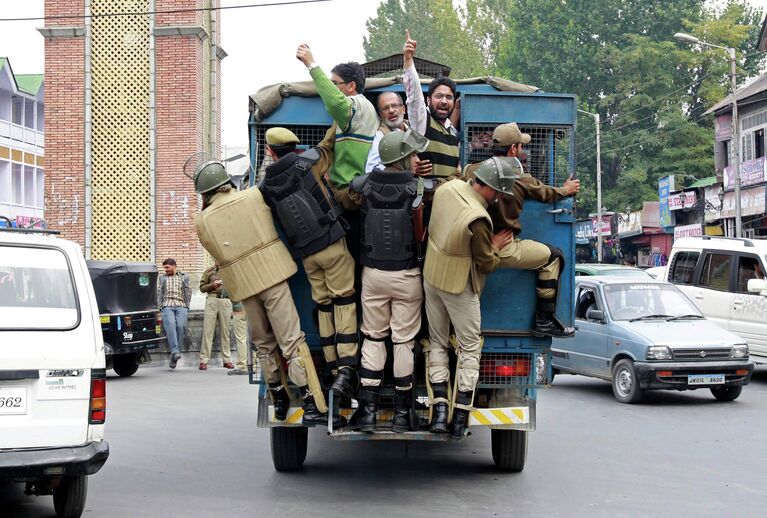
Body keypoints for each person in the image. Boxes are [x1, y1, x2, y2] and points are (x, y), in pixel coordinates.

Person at [192, 159, 339, 426]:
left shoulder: (202, 220)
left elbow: (214, 252)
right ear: (226, 182)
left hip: (244, 285)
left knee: (263, 344)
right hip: (273, 275)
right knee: (292, 340)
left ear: (205, 191)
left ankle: (280, 398)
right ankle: (310, 400)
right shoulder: (253, 195)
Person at [260, 127, 360, 399]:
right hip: (332, 245)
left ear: (270, 151)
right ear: (294, 147)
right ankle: (347, 368)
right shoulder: (309, 162)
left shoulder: (265, 187)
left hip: (306, 255)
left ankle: (330, 365)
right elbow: (329, 146)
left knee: (323, 304)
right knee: (344, 301)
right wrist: (337, 123)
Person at [464, 123, 580, 337]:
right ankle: (543, 320)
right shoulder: (520, 177)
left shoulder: (471, 170)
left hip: (470, 245)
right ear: (513, 149)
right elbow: (546, 193)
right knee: (554, 257)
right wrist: (566, 189)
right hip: (504, 246)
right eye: (520, 146)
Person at [422, 164, 513, 439]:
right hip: (459, 286)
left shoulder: (446, 189)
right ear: (490, 188)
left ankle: (439, 413)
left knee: (436, 343)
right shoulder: (479, 218)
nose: (497, 197)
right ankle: (460, 417)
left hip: (431, 277)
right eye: (497, 192)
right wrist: (495, 247)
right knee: (469, 348)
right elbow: (486, 263)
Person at [348, 128, 430, 432]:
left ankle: (367, 411)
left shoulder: (363, 185)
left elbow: (349, 197)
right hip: (408, 275)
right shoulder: (418, 188)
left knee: (373, 337)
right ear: (403, 157)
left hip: (372, 275)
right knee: (403, 341)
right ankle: (401, 413)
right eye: (411, 154)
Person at [295, 44, 378, 210]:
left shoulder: (357, 105)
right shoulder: (369, 109)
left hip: (348, 194)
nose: (332, 89)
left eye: (335, 84)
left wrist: (312, 65)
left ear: (351, 86)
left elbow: (335, 103)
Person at [402, 30, 460, 181]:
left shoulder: (453, 133)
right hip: (427, 201)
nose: (444, 101)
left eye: (449, 97)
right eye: (438, 96)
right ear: (428, 101)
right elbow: (414, 96)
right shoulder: (422, 122)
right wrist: (408, 59)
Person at [198, 263, 235, 371]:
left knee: (225, 331)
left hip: (226, 300)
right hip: (212, 299)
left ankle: (227, 360)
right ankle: (203, 360)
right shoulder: (209, 271)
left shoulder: (230, 270)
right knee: (208, 331)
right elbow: (201, 288)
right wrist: (212, 285)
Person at [157, 258, 191, 370]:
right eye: (164, 268)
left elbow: (188, 291)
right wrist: (160, 306)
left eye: (167, 267)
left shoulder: (184, 277)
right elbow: (158, 293)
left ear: (174, 266)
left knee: (181, 327)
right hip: (167, 305)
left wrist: (187, 305)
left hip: (181, 305)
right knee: (171, 325)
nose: (165, 270)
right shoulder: (162, 278)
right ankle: (175, 352)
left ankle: (175, 355)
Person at [365, 91, 409, 173]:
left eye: (395, 106)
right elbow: (371, 169)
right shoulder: (380, 136)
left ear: (403, 109)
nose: (391, 111)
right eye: (386, 108)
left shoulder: (413, 128)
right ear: (380, 115)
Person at [228, 301, 250, 375]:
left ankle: (242, 366)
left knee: (241, 339)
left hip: (239, 309)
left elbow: (225, 293)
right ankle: (253, 365)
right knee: (253, 337)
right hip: (252, 308)